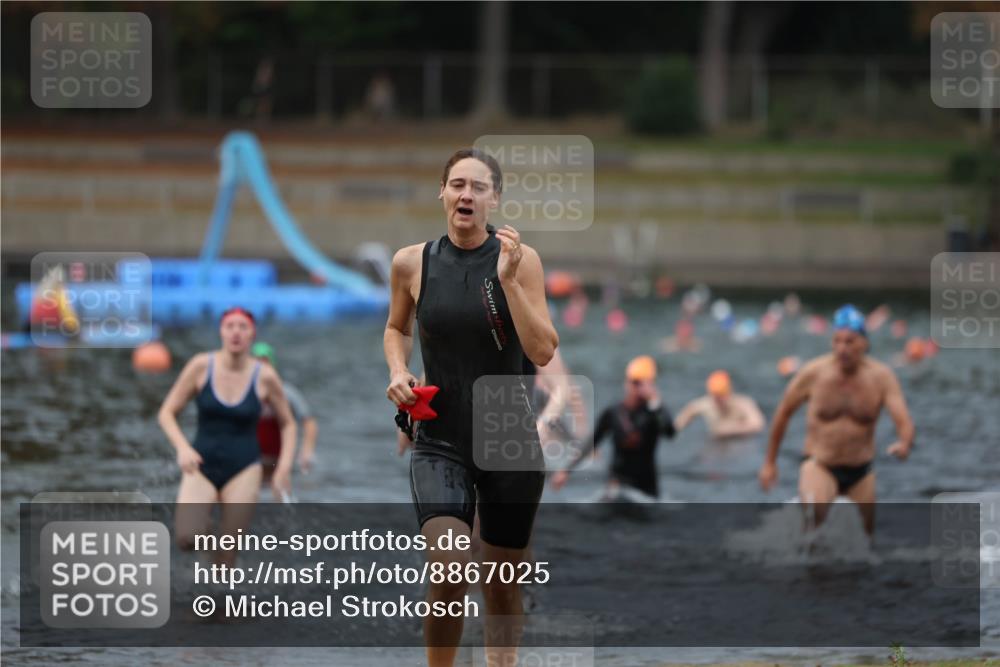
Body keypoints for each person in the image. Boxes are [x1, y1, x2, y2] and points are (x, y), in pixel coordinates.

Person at [383, 148, 558, 667]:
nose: (467, 194)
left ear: (494, 199)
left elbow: (543, 351)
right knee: (449, 566)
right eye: (457, 184)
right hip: (441, 436)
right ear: (442, 191)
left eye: (478, 187)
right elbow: (396, 328)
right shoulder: (411, 262)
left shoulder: (521, 261)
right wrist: (398, 370)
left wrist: (508, 282)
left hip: (509, 435)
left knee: (502, 586)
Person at [757, 304, 915, 536]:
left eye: (850, 341)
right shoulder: (813, 373)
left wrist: (904, 443)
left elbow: (903, 420)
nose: (842, 348)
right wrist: (770, 463)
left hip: (861, 471)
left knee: (865, 541)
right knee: (814, 527)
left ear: (864, 343)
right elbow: (783, 414)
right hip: (821, 465)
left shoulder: (882, 377)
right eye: (837, 341)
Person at [159, 307, 297, 564]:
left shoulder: (265, 376)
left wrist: (283, 469)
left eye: (243, 327)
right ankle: (208, 533)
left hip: (245, 468)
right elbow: (166, 412)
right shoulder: (201, 366)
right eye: (230, 326)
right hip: (201, 463)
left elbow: (288, 423)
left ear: (252, 334)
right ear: (221, 332)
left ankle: (222, 585)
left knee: (227, 557)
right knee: (187, 538)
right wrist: (182, 448)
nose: (236, 332)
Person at [550, 355, 676, 500]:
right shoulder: (614, 412)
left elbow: (670, 433)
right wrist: (565, 471)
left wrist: (655, 402)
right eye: (635, 383)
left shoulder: (653, 413)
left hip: (646, 490)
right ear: (626, 383)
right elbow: (591, 443)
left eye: (643, 384)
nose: (638, 388)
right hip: (617, 486)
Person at [251, 342, 319, 477]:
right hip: (253, 460)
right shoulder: (244, 394)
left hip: (280, 459)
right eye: (257, 362)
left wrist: (306, 451)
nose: (262, 367)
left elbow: (309, 423)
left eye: (265, 361)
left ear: (272, 364)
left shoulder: (287, 393)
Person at [674, 370, 766, 439]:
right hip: (716, 441)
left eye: (722, 395)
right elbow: (682, 420)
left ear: (729, 392)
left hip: (740, 441)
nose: (719, 400)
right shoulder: (704, 405)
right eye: (715, 396)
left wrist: (729, 429)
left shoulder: (743, 403)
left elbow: (758, 425)